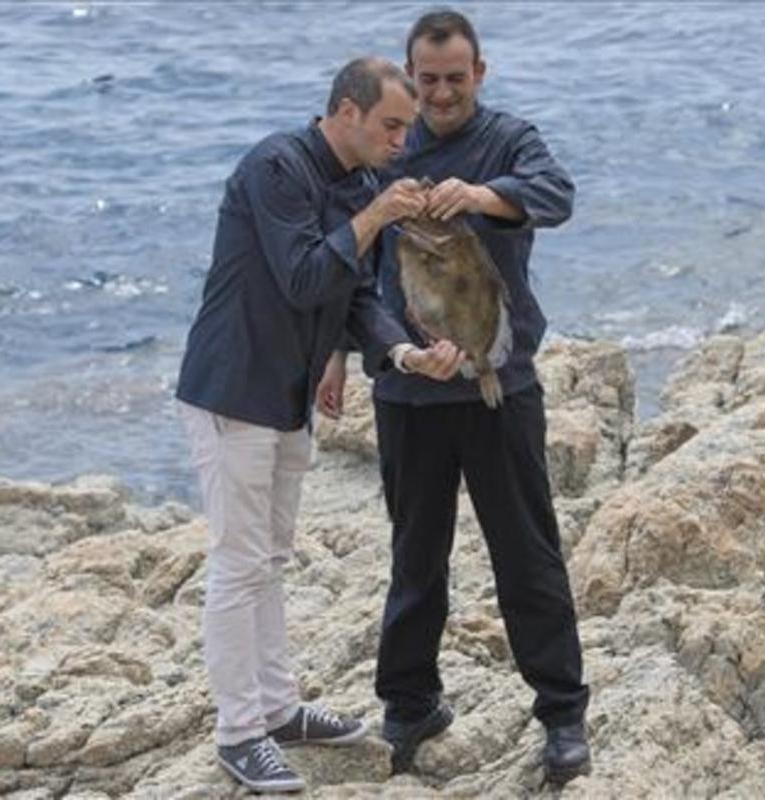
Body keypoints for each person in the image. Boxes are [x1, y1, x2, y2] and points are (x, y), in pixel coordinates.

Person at [316, 9, 592, 786]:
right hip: (407, 391)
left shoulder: (508, 140)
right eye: (427, 80)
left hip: (500, 385)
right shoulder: (381, 151)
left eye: (454, 78)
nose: (440, 94)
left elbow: (556, 194)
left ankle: (563, 713)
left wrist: (481, 193)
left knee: (527, 553)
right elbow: (353, 268)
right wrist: (339, 353)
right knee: (415, 557)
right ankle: (408, 705)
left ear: (480, 73)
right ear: (408, 79)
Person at [175, 57, 463, 794]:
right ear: (345, 113)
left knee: (271, 557)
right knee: (239, 564)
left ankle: (276, 708)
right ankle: (240, 733)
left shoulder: (363, 183)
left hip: (289, 393)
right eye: (390, 125)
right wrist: (377, 218)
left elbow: (357, 295)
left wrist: (401, 351)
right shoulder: (276, 168)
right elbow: (304, 275)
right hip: (232, 390)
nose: (403, 140)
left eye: (405, 127)